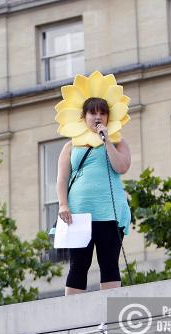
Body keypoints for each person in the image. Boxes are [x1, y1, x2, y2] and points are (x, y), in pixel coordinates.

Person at [56, 97, 131, 295]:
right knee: (78, 265)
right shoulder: (70, 146)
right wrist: (63, 204)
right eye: (93, 113)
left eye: (102, 113)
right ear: (84, 117)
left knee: (109, 264)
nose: (98, 117)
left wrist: (106, 141)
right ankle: (71, 319)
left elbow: (121, 167)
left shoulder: (117, 141)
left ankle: (110, 316)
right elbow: (62, 179)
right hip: (79, 214)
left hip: (110, 212)